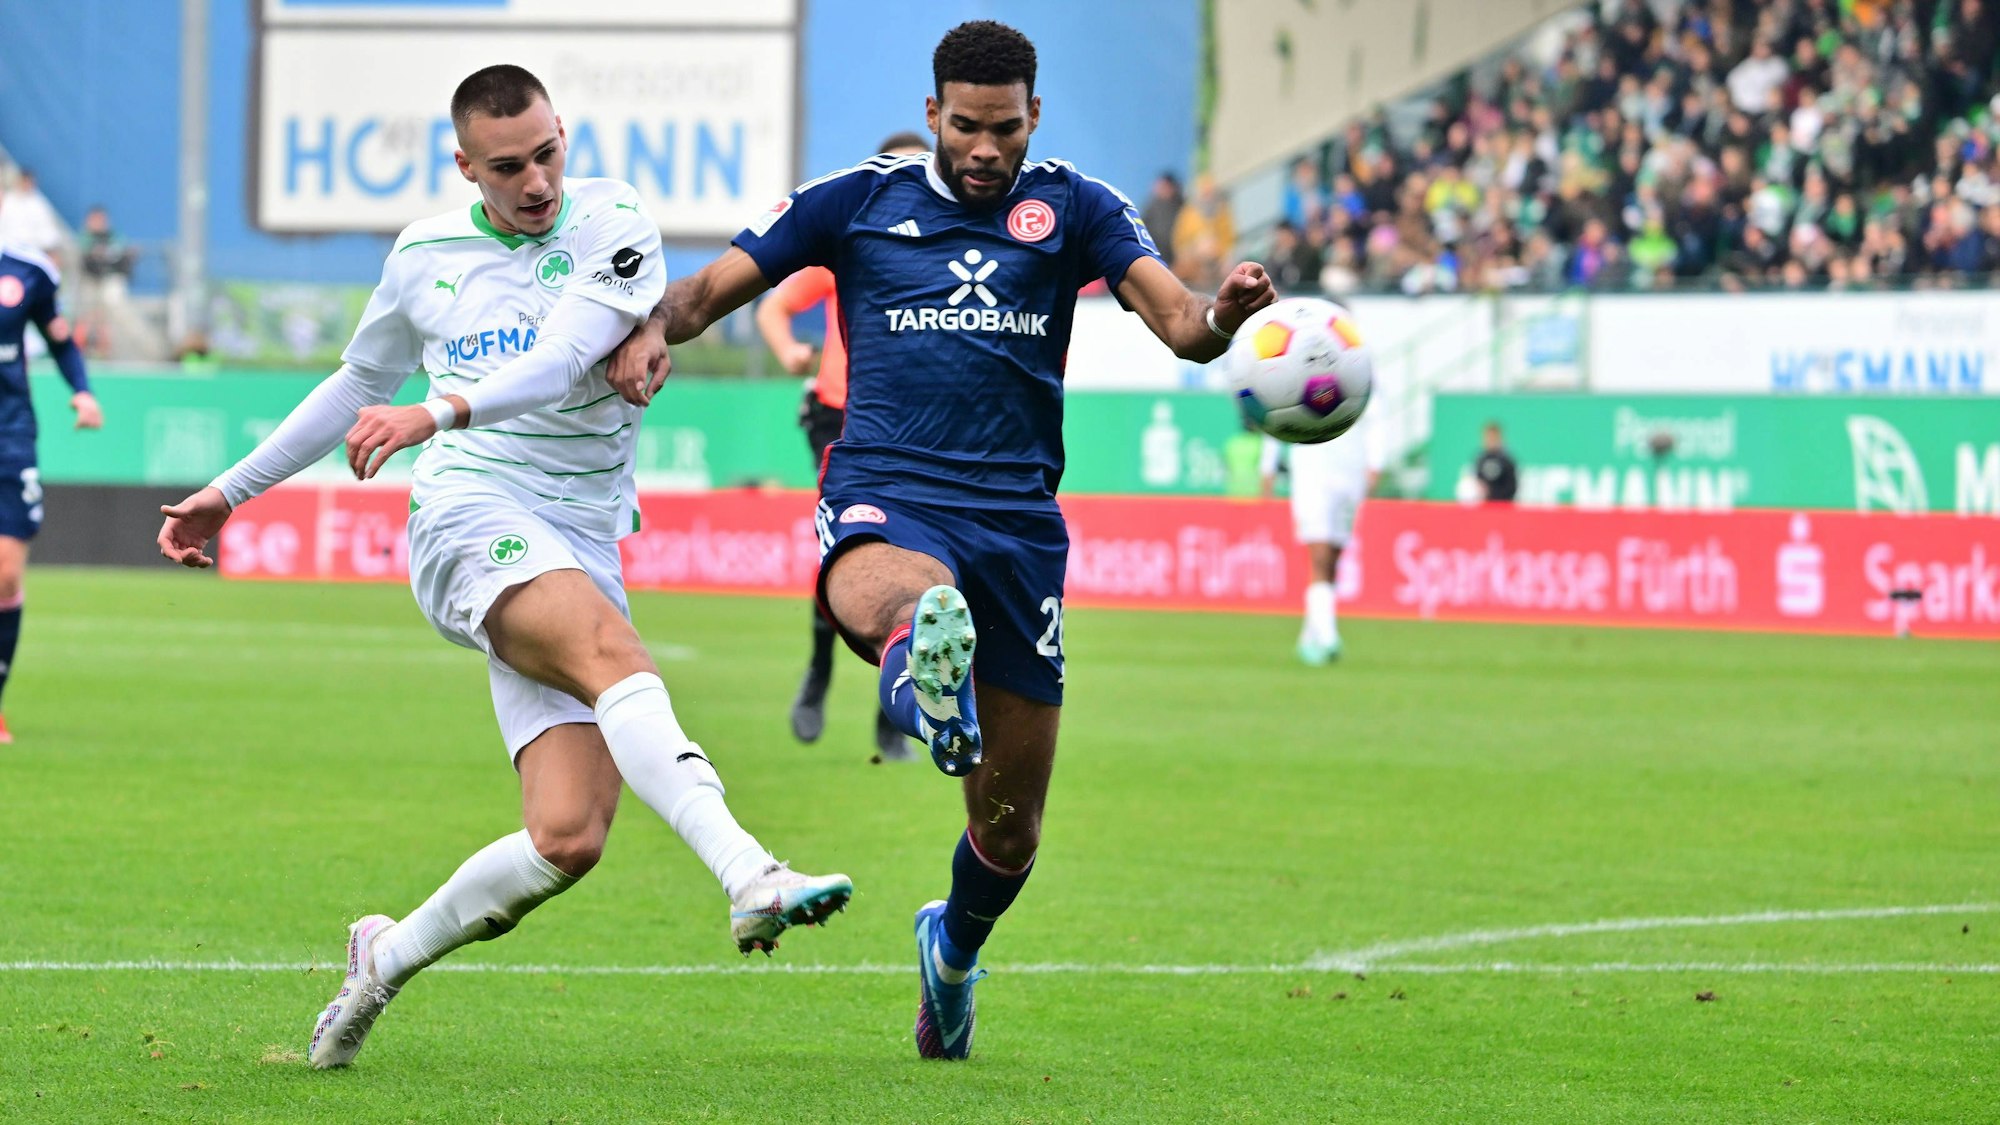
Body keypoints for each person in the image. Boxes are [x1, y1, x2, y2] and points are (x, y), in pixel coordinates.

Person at [154, 65, 852, 1070]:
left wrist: (435, 406)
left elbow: (563, 358)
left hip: (580, 532)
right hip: (470, 509)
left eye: (546, 154)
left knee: (566, 837)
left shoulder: (613, 218)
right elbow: (358, 380)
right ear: (463, 165)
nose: (535, 182)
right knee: (615, 657)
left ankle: (383, 957)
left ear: (564, 135)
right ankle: (750, 874)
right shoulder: (424, 254)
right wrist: (232, 489)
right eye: (508, 166)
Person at [606, 20, 1274, 1061]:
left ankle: (950, 952)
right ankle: (921, 671)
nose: (982, 149)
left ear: (1031, 119)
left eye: (1002, 130)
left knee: (1008, 831)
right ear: (931, 116)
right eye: (963, 126)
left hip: (1016, 525)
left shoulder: (1079, 208)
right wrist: (638, 328)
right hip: (887, 486)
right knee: (906, 599)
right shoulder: (856, 200)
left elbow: (1180, 325)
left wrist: (1225, 313)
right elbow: (698, 297)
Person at [756, 131, 930, 763]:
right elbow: (773, 310)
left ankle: (892, 709)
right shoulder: (847, 247)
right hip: (838, 417)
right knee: (853, 546)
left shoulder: (946, 255)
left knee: (912, 554)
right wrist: (790, 352)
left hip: (911, 422)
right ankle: (819, 673)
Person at [0, 235, 103, 744]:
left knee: (5, 575)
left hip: (9, 436)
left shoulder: (28, 272)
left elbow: (60, 340)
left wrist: (82, 391)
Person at [1261, 411, 1381, 665]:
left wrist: (1376, 462)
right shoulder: (1294, 372)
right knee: (1319, 553)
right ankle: (1328, 637)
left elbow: (1376, 414)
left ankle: (1310, 637)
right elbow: (1275, 406)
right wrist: (1268, 465)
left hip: (1350, 473)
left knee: (1333, 558)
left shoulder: (1361, 372)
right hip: (1311, 472)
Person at [1475, 421, 1518, 503]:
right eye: (1488, 437)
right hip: (1484, 505)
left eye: (1493, 438)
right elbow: (1478, 480)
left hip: (1503, 504)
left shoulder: (1507, 460)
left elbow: (1512, 486)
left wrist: (1496, 496)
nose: (1490, 441)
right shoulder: (1480, 460)